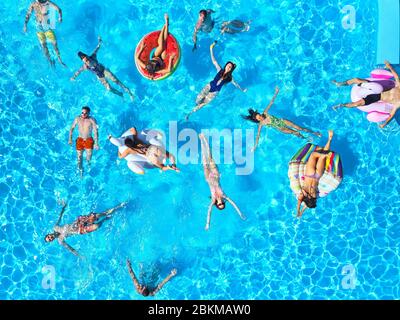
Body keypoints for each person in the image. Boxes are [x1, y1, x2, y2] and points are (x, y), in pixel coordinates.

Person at [243, 86, 321, 151]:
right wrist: (255, 146)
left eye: (259, 115)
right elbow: (258, 135)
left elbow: (271, 102)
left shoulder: (265, 112)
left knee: (300, 128)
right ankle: (306, 138)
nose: (260, 117)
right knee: (295, 133)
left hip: (283, 121)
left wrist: (276, 92)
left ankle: (314, 133)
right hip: (281, 128)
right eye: (259, 118)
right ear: (257, 120)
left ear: (259, 114)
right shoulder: (261, 124)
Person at [186, 41, 247, 120]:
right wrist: (211, 49)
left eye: (230, 67)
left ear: (231, 69)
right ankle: (192, 107)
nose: (229, 67)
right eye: (228, 65)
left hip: (214, 92)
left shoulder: (230, 78)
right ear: (225, 66)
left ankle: (190, 113)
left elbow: (236, 84)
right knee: (198, 99)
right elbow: (214, 61)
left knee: (203, 103)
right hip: (209, 86)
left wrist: (242, 89)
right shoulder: (219, 70)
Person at [332, 60, 400, 128]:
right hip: (377, 90)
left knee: (357, 104)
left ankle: (340, 105)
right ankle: (339, 84)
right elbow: (396, 77)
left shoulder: (398, 103)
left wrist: (384, 124)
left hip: (377, 97)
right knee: (356, 79)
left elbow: (392, 115)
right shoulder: (399, 87)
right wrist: (390, 67)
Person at [45, 201, 127, 257]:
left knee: (99, 215)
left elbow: (60, 217)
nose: (50, 238)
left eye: (48, 237)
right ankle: (105, 220)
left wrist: (64, 207)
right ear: (52, 240)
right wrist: (80, 256)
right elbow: (70, 249)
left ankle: (119, 206)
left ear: (49, 234)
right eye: (50, 239)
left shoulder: (55, 227)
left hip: (79, 221)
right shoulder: (60, 240)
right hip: (79, 230)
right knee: (96, 226)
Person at [199, 133, 246, 230]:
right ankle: (205, 139)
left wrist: (207, 223)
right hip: (216, 175)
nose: (220, 203)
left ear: (217, 205)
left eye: (219, 205)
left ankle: (201, 141)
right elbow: (234, 204)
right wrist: (240, 213)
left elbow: (209, 212)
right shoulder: (224, 196)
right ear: (223, 203)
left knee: (204, 160)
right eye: (222, 204)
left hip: (208, 177)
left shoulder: (213, 200)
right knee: (210, 157)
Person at [71, 36, 134, 101]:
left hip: (104, 71)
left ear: (88, 56)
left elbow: (97, 49)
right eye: (86, 60)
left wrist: (99, 41)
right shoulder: (85, 66)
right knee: (109, 89)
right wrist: (73, 77)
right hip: (100, 77)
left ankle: (129, 93)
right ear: (83, 61)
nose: (88, 60)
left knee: (116, 80)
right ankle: (121, 95)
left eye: (87, 58)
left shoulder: (92, 57)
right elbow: (78, 71)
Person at [296, 130, 334, 218]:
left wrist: (301, 211)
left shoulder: (314, 196)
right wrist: (298, 211)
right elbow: (301, 203)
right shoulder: (303, 195)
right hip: (309, 174)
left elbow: (308, 204)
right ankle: (323, 154)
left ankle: (329, 139)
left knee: (323, 156)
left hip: (317, 175)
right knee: (313, 154)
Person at [109, 127, 180, 172]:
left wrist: (119, 150)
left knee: (161, 167)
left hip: (149, 156)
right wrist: (130, 132)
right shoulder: (135, 138)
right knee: (170, 155)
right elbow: (133, 128)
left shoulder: (129, 150)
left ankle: (168, 167)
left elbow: (120, 157)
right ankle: (173, 164)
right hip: (153, 148)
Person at [23, 0, 65, 67]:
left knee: (54, 45)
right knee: (44, 47)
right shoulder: (33, 4)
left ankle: (60, 60)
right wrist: (25, 25)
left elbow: (59, 9)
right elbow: (28, 14)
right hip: (39, 28)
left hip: (47, 28)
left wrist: (60, 17)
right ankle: (50, 61)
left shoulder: (48, 2)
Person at [136, 14, 177, 79]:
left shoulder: (145, 66)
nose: (153, 63)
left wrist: (142, 49)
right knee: (165, 43)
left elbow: (137, 58)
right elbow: (169, 70)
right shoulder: (157, 71)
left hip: (155, 55)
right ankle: (166, 24)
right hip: (162, 59)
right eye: (153, 65)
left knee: (161, 46)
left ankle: (166, 24)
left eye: (151, 63)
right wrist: (171, 59)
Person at [68, 106, 99, 175]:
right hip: (80, 140)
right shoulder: (77, 118)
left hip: (89, 140)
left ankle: (88, 164)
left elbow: (95, 131)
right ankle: (81, 169)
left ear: (89, 113)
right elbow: (72, 128)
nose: (83, 115)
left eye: (85, 113)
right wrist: (70, 138)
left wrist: (96, 143)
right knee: (79, 157)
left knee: (89, 156)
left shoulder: (92, 120)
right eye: (82, 113)